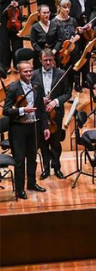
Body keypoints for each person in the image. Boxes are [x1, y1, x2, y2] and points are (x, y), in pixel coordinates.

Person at [3, 60, 48, 199]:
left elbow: (41, 109)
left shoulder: (37, 86)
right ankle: (19, 189)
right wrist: (23, 110)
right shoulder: (13, 88)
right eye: (25, 71)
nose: (29, 74)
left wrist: (45, 126)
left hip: (34, 127)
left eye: (30, 71)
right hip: (18, 129)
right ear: (19, 73)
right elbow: (6, 111)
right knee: (20, 160)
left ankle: (32, 183)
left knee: (32, 158)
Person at [32, 49, 71, 180]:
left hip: (56, 114)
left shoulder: (61, 74)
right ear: (40, 60)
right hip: (40, 114)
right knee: (43, 143)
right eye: (45, 60)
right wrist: (39, 99)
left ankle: (57, 167)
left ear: (53, 59)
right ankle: (46, 168)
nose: (48, 62)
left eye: (50, 60)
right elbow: (31, 94)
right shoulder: (34, 75)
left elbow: (67, 93)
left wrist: (55, 101)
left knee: (55, 143)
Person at [0, 0, 24, 69]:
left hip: (15, 17)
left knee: (17, 42)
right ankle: (5, 66)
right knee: (3, 43)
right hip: (2, 17)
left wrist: (18, 3)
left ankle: (18, 65)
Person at [30, 4, 58, 68]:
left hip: (53, 54)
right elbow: (33, 42)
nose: (46, 15)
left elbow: (59, 39)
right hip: (39, 55)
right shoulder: (34, 27)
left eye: (48, 13)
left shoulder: (55, 25)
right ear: (39, 13)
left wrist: (54, 50)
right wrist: (42, 53)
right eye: (44, 13)